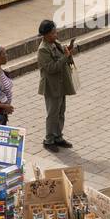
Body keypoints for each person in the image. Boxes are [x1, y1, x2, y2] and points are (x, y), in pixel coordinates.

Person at [36, 20, 75, 151]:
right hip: (51, 86)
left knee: (61, 112)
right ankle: (49, 139)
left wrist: (68, 53)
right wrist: (65, 57)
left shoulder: (55, 44)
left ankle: (58, 136)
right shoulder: (43, 50)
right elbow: (52, 68)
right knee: (52, 113)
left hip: (61, 84)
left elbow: (64, 60)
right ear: (46, 35)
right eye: (53, 33)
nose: (56, 34)